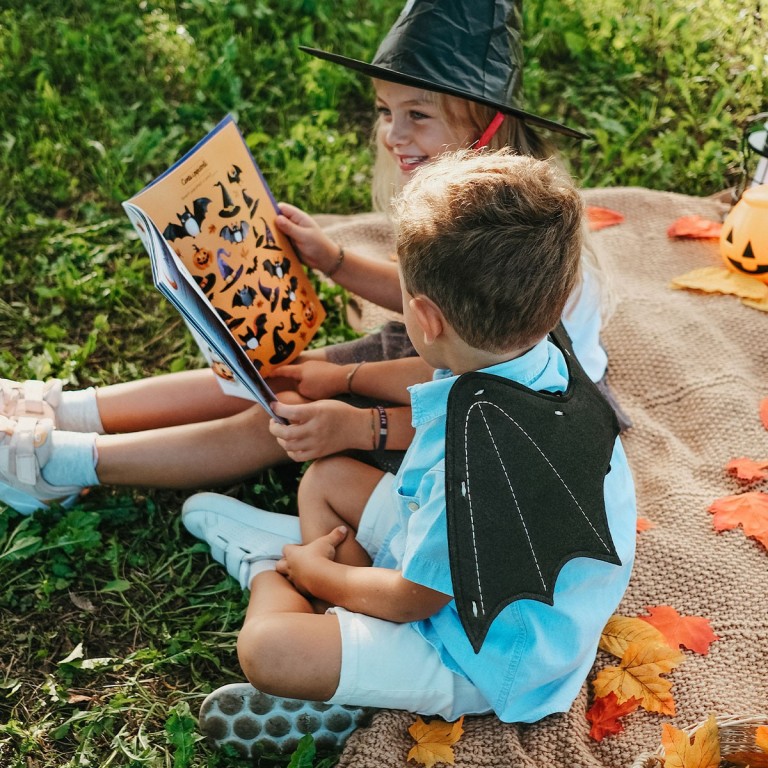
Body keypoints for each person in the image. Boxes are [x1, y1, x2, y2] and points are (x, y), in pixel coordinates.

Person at [0, 0, 622, 516]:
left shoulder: (519, 247)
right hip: (445, 357)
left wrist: (357, 413)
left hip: (498, 414)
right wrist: (334, 261)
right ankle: (70, 409)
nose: (392, 134)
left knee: (280, 417)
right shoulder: (467, 203)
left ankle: (60, 464)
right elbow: (426, 292)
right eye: (385, 110)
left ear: (485, 125)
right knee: (279, 372)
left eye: (417, 115)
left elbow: (484, 397)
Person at [181, 149, 637, 758]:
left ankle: (270, 570)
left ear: (423, 316)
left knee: (268, 650)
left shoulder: (475, 465)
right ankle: (346, 642)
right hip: (486, 574)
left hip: (481, 652)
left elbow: (414, 599)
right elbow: (436, 372)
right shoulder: (537, 345)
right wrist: (342, 379)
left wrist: (316, 574)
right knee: (325, 480)